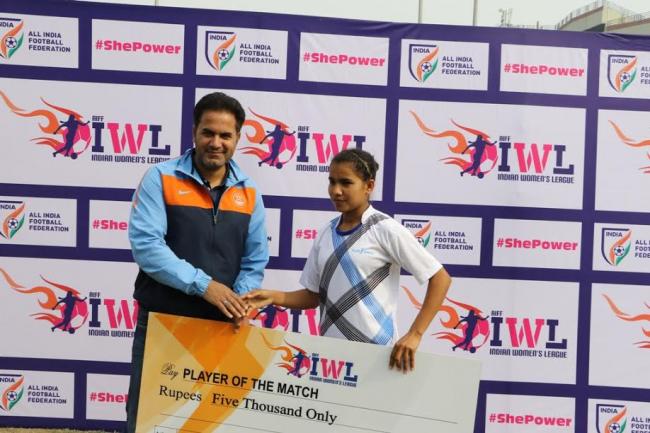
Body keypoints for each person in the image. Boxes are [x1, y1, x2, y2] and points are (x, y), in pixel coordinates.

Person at [125, 92, 269, 432]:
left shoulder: (249, 191)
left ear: (238, 138)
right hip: (164, 322)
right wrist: (205, 286)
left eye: (225, 135)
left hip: (221, 327)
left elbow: (255, 259)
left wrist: (240, 301)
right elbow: (147, 247)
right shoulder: (160, 177)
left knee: (209, 423)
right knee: (149, 419)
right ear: (194, 132)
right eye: (208, 132)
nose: (216, 143)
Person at [245, 148, 451, 372]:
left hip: (378, 359)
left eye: (346, 183)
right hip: (330, 361)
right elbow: (313, 296)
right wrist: (273, 296)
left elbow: (440, 278)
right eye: (331, 182)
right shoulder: (326, 232)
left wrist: (415, 334)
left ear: (369, 186)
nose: (336, 191)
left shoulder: (385, 229)